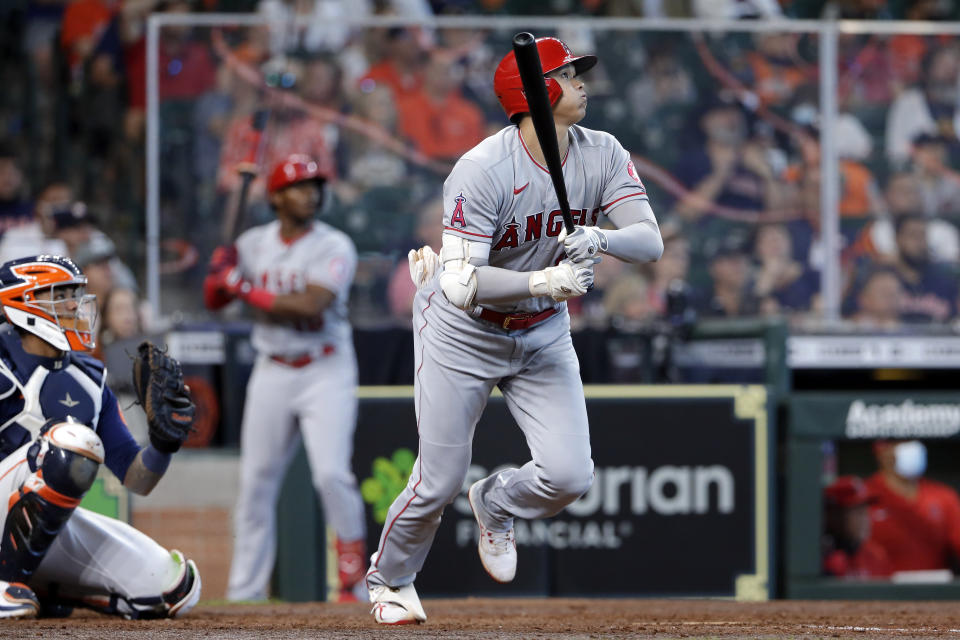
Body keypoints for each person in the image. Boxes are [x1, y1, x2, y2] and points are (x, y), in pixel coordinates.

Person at [365, 36, 663, 625]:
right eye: (569, 75)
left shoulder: (602, 152)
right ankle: (389, 579)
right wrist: (544, 282)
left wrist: (599, 238)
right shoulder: (481, 169)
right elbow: (459, 285)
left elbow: (649, 241)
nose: (583, 84)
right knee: (438, 480)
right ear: (537, 91)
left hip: (542, 332)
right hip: (462, 331)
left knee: (570, 476)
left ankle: (496, 503)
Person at [203, 153, 368, 603]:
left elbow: (309, 305)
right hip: (272, 368)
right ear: (276, 197)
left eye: (315, 185)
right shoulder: (253, 243)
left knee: (332, 474)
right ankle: (245, 592)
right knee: (256, 483)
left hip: (325, 367)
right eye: (298, 186)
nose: (310, 194)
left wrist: (240, 285)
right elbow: (213, 301)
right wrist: (218, 276)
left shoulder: (334, 245)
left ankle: (354, 579)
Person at [0, 254, 200, 619]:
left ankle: (44, 587)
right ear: (21, 303)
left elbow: (137, 479)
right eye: (59, 294)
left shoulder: (90, 379)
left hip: (31, 526)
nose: (75, 304)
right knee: (69, 441)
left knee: (171, 586)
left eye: (75, 293)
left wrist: (162, 443)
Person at [865, 440, 960, 573]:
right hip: (878, 589)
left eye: (911, 439)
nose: (911, 446)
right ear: (882, 450)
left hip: (934, 589)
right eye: (899, 441)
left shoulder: (944, 497)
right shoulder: (864, 495)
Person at [822, 475, 891, 579]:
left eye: (866, 511)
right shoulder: (820, 559)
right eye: (858, 512)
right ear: (833, 515)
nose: (865, 519)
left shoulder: (876, 556)